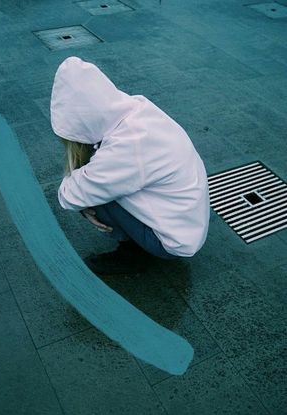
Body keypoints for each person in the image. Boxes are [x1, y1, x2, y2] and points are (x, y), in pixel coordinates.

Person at [50, 56, 210, 275]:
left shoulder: (127, 148)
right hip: (186, 220)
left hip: (174, 242)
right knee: (99, 183)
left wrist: (85, 206)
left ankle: (131, 254)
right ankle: (136, 236)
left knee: (96, 196)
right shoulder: (136, 109)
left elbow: (68, 197)